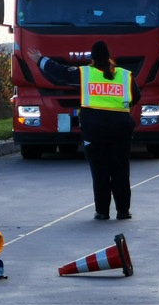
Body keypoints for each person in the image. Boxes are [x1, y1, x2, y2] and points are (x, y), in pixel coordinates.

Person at [27, 41, 141, 220]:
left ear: (92, 58)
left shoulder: (85, 73)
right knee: (120, 169)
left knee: (100, 170)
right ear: (109, 57)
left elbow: (61, 72)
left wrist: (39, 60)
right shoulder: (125, 75)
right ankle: (123, 211)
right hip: (121, 127)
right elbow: (136, 96)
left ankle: (102, 212)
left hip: (95, 129)